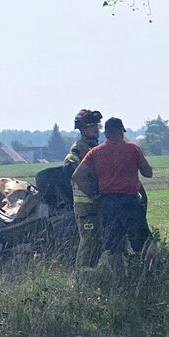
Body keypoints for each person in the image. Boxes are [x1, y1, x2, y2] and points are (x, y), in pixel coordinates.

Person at [72, 117, 153, 275]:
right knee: (145, 241)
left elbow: (77, 175)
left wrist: (93, 194)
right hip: (130, 203)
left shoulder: (95, 152)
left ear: (106, 133)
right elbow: (148, 173)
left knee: (114, 246)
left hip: (107, 204)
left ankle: (119, 278)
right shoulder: (132, 148)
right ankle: (146, 274)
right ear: (119, 131)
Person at [63, 109, 104, 268]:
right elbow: (71, 169)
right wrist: (93, 194)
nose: (95, 129)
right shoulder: (78, 149)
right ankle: (82, 276)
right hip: (86, 206)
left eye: (96, 125)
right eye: (90, 125)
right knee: (88, 243)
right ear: (82, 129)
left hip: (98, 204)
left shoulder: (96, 148)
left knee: (99, 241)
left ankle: (95, 274)